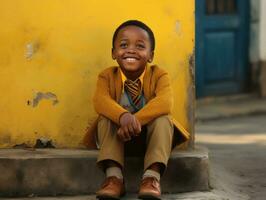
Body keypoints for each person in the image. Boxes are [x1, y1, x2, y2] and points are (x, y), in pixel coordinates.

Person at [83, 20, 190, 199]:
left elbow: (165, 102)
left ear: (150, 55)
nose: (131, 50)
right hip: (118, 141)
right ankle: (114, 178)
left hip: (151, 141)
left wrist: (134, 121)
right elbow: (100, 101)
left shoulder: (159, 75)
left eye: (140, 46)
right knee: (106, 117)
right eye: (124, 45)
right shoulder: (107, 76)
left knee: (163, 118)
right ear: (113, 53)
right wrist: (123, 117)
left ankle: (151, 178)